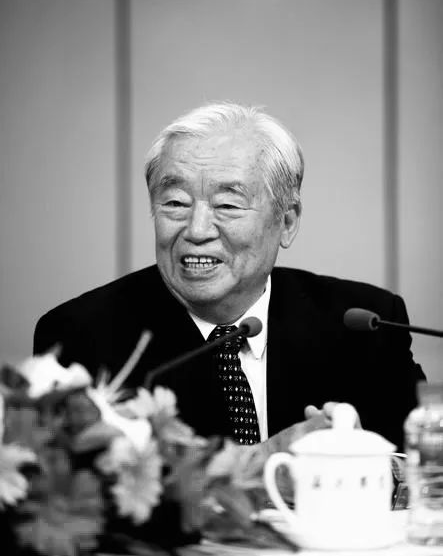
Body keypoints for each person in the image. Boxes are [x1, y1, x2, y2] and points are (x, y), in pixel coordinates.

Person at [33, 101, 425, 453]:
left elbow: (424, 462)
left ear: (287, 222)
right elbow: (79, 492)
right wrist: (263, 465)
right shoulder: (81, 338)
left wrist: (369, 461)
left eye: (228, 205)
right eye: (175, 203)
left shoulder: (365, 324)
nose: (197, 230)